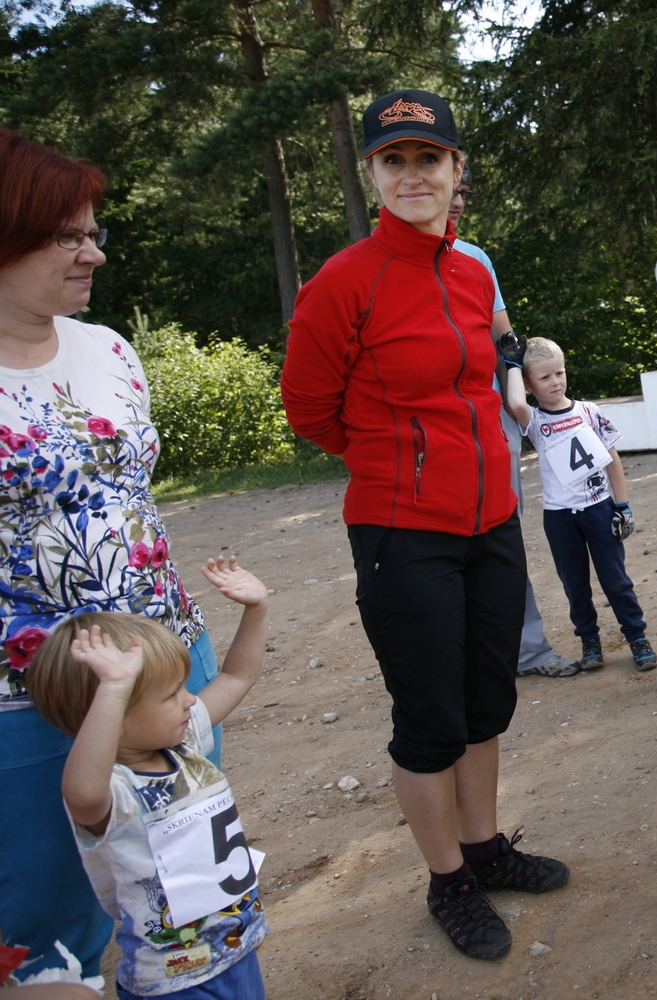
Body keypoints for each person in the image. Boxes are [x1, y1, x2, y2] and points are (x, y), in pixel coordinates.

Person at [282, 89, 569, 961]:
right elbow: (309, 409)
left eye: (428, 158)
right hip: (402, 532)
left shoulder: (474, 271)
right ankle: (447, 878)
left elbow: (484, 380)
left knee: (489, 699)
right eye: (394, 160)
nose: (414, 175)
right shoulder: (344, 280)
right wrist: (391, 459)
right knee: (432, 716)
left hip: (491, 520)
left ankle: (483, 848)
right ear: (373, 174)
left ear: (455, 172)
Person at [0, 129, 225, 984]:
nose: (93, 250)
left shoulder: (109, 351)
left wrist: (167, 660)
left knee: (181, 891)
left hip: (166, 662)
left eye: (94, 230)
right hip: (33, 701)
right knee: (52, 926)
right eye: (67, 234)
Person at [26, 557, 270, 1000]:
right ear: (113, 715)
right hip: (174, 981)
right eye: (170, 694)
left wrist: (257, 609)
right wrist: (114, 689)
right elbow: (81, 793)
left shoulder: (182, 748)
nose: (189, 700)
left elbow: (237, 676)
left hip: (236, 950)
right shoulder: (114, 790)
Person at [448, 165, 580, 679]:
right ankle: (460, 654)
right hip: (426, 432)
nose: (457, 200)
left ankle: (526, 649)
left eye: (464, 191)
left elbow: (507, 343)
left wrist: (516, 395)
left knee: (501, 532)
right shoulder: (374, 266)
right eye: (451, 190)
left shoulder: (476, 259)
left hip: (489, 420)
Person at [501, 337, 657, 672]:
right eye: (544, 378)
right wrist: (513, 364)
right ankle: (590, 641)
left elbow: (612, 459)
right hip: (559, 517)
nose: (555, 381)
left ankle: (637, 637)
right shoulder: (535, 421)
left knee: (616, 579)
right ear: (530, 385)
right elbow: (514, 404)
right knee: (575, 584)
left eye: (559, 373)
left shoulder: (588, 411)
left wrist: (623, 503)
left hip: (599, 509)